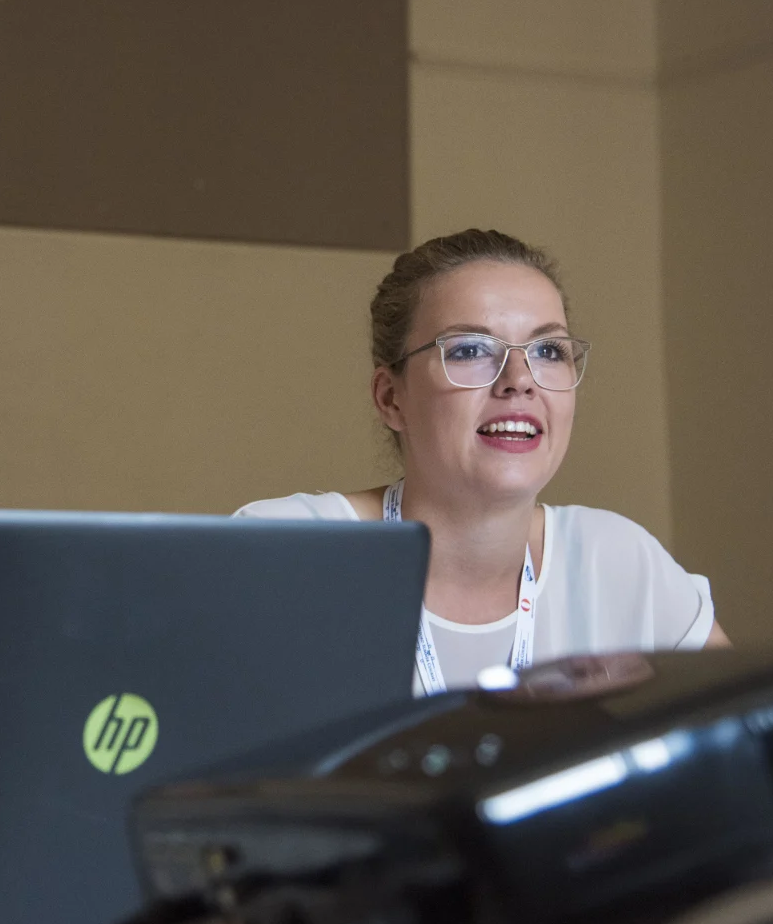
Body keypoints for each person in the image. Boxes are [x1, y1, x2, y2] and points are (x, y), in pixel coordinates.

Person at [236, 228, 726, 694]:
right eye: (471, 349)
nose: (519, 379)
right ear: (391, 399)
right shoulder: (282, 552)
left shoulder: (616, 562)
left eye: (549, 349)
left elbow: (767, 749)